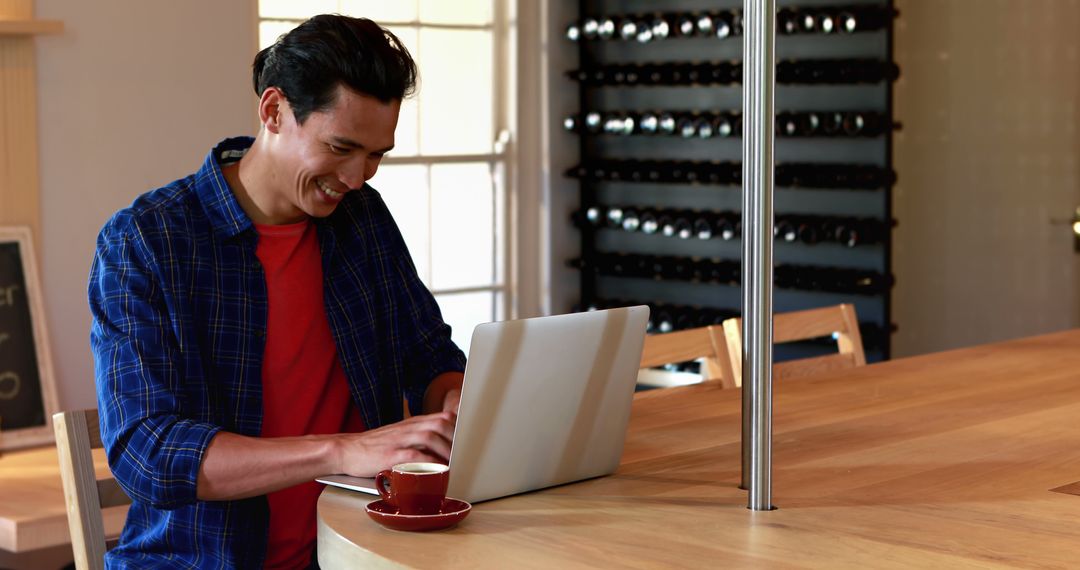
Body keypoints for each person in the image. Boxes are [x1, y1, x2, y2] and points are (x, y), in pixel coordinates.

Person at [88, 14, 466, 568]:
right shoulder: (147, 240)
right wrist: (342, 450)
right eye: (341, 147)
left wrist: (453, 403)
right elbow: (147, 452)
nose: (359, 177)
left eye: (376, 155)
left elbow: (429, 354)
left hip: (366, 553)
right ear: (274, 111)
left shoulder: (363, 220)